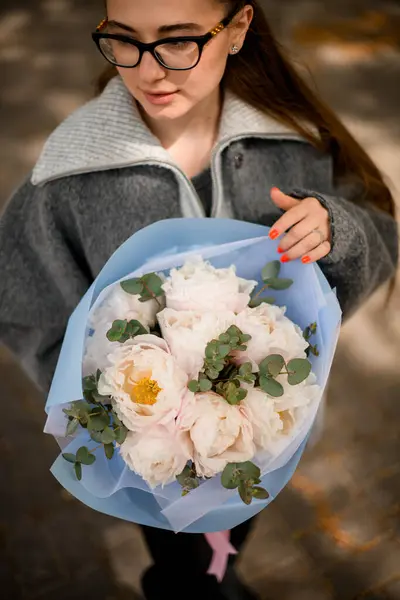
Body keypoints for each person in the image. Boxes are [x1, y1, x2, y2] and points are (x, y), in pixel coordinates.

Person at [0, 0, 398, 598]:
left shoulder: (290, 140)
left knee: (236, 530)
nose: (149, 70)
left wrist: (337, 231)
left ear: (237, 29)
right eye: (124, 39)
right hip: (148, 463)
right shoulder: (68, 179)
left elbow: (381, 233)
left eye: (178, 40)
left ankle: (223, 570)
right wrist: (110, 416)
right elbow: (25, 307)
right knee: (180, 566)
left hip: (259, 439)